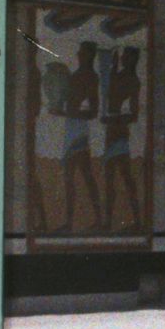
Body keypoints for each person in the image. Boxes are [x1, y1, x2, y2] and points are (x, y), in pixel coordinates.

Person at [56, 41, 102, 233]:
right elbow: (68, 103)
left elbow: (93, 111)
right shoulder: (75, 76)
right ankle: (71, 222)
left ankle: (93, 220)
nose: (78, 54)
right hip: (71, 129)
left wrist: (70, 113)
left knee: (81, 175)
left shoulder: (90, 77)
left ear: (89, 55)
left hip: (78, 130)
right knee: (74, 176)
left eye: (82, 52)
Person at [100, 44, 144, 231]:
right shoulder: (118, 76)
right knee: (112, 180)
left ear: (132, 59)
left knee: (124, 178)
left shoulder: (132, 80)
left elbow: (133, 115)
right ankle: (109, 222)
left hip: (118, 134)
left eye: (126, 56)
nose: (123, 58)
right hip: (111, 134)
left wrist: (112, 118)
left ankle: (135, 220)